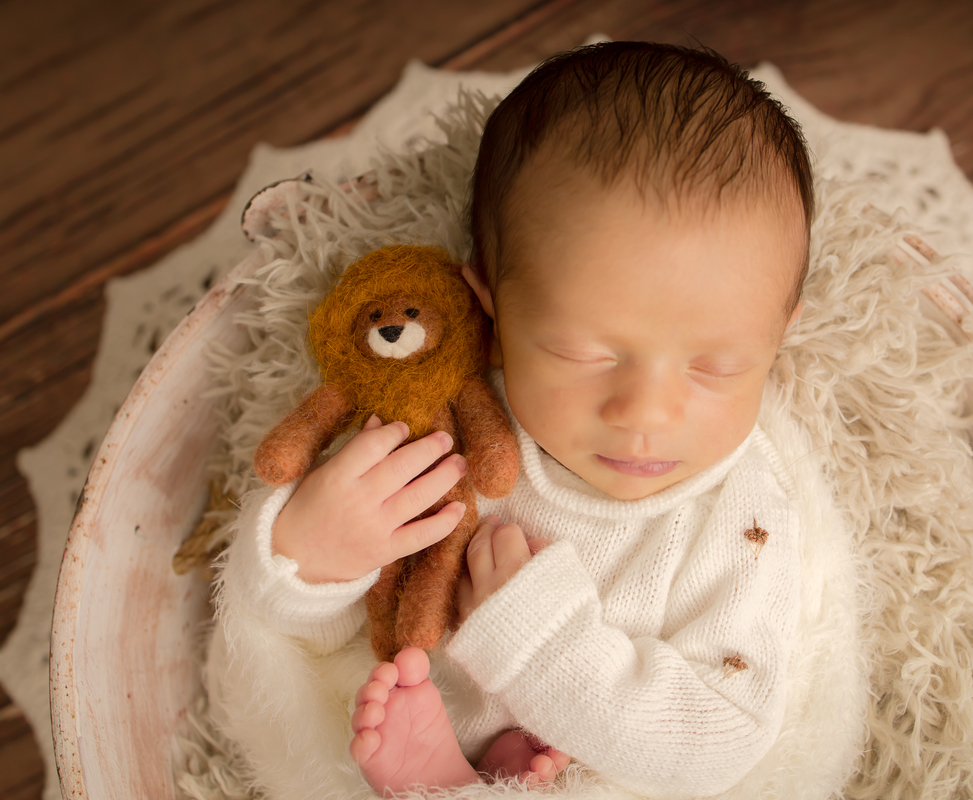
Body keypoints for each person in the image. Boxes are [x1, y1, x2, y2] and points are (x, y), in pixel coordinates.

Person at [210, 41, 849, 799]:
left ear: (777, 336)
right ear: (491, 309)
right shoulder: (446, 425)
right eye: (583, 353)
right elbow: (305, 639)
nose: (645, 413)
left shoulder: (741, 517)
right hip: (374, 758)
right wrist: (313, 557)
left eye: (717, 366)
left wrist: (541, 641)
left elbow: (719, 738)